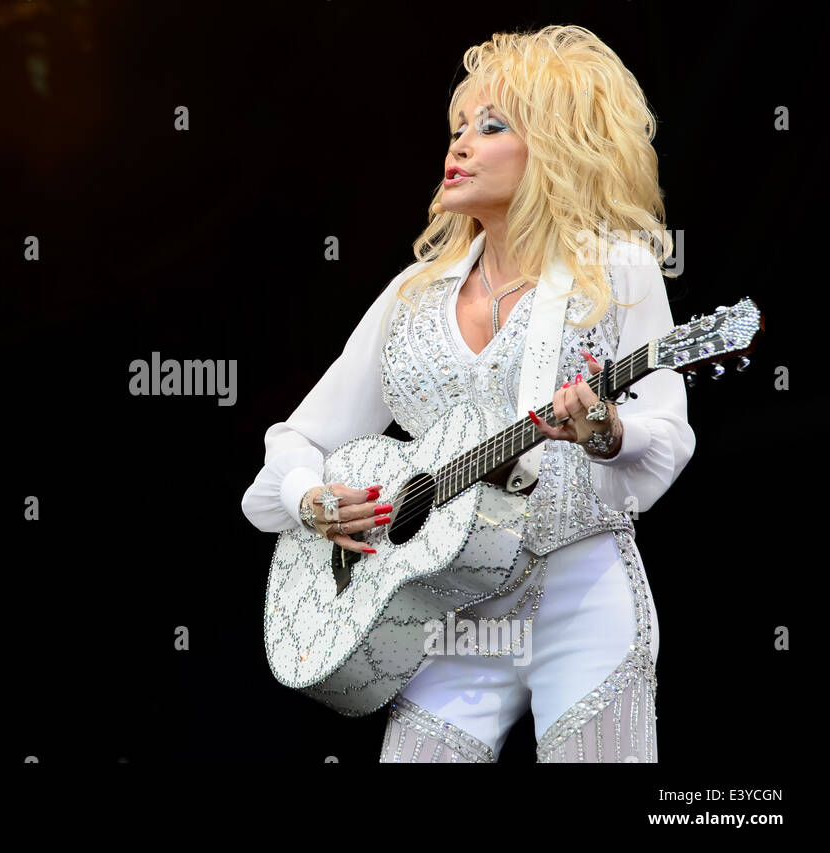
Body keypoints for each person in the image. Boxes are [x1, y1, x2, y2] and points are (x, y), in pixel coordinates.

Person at [240, 25, 694, 763]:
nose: (459, 146)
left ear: (555, 145)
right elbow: (292, 444)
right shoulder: (410, 297)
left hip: (581, 598)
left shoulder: (619, 271)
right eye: (457, 129)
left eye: (491, 127)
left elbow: (668, 432)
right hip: (449, 614)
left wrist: (608, 430)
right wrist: (313, 499)